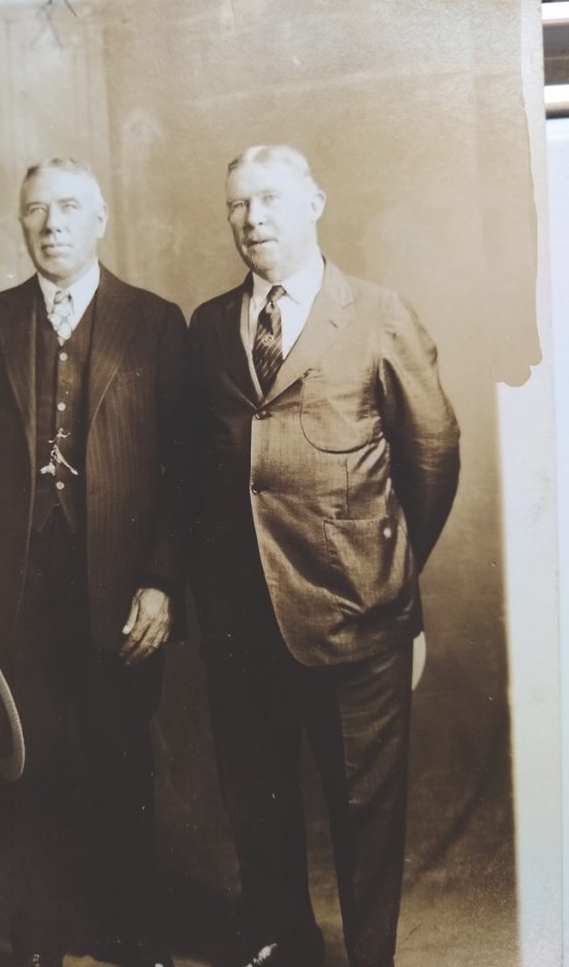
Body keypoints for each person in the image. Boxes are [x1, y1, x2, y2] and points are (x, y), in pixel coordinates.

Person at [189, 145, 460, 967]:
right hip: (241, 620)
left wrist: (385, 568)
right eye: (237, 205)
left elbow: (434, 456)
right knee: (255, 799)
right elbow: (197, 472)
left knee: (363, 814)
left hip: (356, 618)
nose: (252, 219)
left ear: (315, 204)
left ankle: (368, 955)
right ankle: (279, 939)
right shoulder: (208, 325)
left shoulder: (377, 312)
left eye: (269, 200)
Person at [0, 158, 189, 967]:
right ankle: (38, 941)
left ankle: (128, 939)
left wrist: (162, 582)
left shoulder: (154, 321)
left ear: (101, 219)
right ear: (21, 225)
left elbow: (187, 468)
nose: (51, 224)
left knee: (120, 764)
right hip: (14, 591)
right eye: (35, 211)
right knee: (29, 771)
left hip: (120, 590)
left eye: (69, 208)